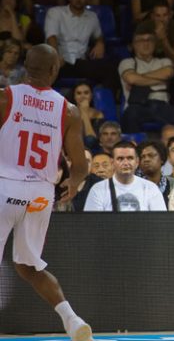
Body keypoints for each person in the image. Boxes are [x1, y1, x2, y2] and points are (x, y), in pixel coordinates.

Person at [0, 44, 91, 341]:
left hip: (4, 184)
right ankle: (72, 319)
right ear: (54, 70)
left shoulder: (5, 97)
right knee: (29, 265)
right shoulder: (70, 110)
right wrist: (73, 184)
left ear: (25, 65)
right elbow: (79, 166)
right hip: (41, 193)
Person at [118, 28, 174, 133]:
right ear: (133, 45)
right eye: (141, 40)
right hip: (137, 105)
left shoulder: (164, 61)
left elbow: (167, 73)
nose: (146, 43)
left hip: (162, 105)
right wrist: (160, 80)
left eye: (149, 40)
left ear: (155, 44)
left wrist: (139, 79)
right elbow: (131, 78)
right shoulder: (127, 62)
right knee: (130, 116)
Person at [84, 140, 167, 211]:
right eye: (120, 159)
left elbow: (160, 224)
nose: (125, 163)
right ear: (112, 163)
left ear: (137, 162)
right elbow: (92, 225)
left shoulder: (151, 189)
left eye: (130, 158)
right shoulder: (98, 190)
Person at [135, 2, 174, 66]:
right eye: (158, 16)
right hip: (147, 61)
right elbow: (138, 53)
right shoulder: (143, 27)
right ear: (152, 16)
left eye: (165, 15)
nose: (162, 19)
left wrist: (164, 39)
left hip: (169, 63)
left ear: (170, 15)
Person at [137, 140, 174, 204]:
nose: (146, 159)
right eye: (142, 157)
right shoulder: (133, 185)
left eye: (151, 155)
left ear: (162, 159)